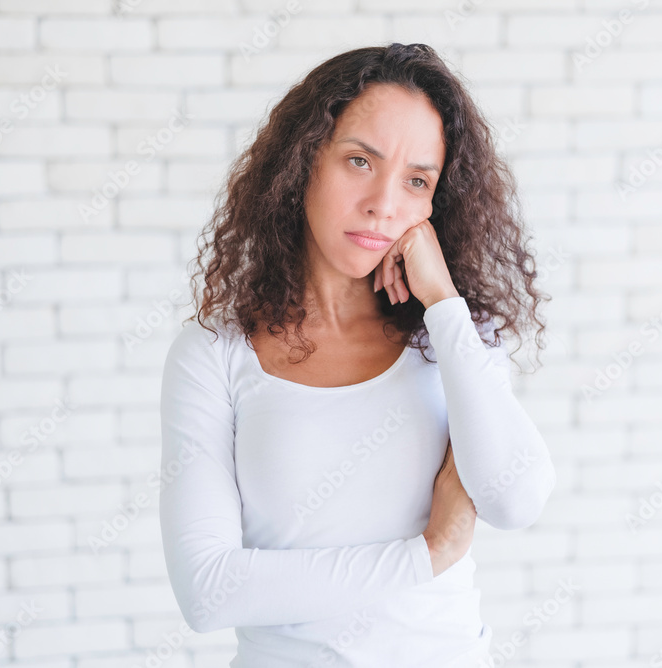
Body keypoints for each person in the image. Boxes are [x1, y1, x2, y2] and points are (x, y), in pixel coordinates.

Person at [159, 42, 556, 667]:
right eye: (359, 161)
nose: (384, 204)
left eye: (417, 180)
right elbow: (208, 591)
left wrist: (445, 304)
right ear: (301, 164)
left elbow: (515, 500)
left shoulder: (454, 337)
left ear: (436, 203)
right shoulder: (214, 353)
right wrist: (428, 553)